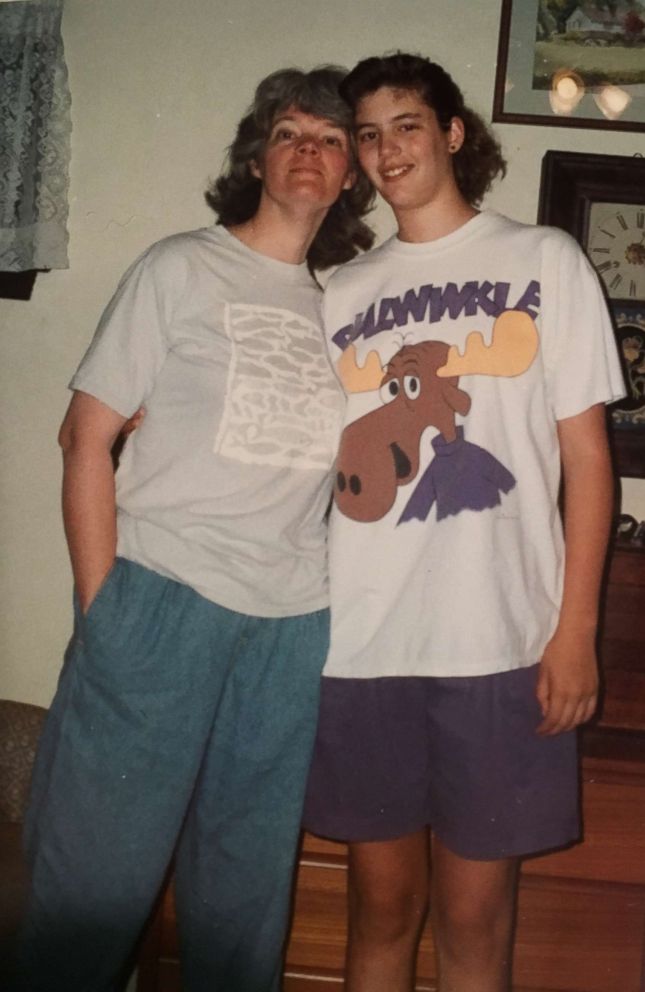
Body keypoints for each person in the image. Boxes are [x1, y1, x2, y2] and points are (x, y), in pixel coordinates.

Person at [15, 66, 373, 992]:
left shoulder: (341, 308)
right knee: (93, 891)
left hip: (293, 627)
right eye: (291, 132)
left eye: (331, 140)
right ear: (258, 154)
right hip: (164, 598)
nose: (309, 152)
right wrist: (104, 614)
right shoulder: (181, 266)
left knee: (243, 908)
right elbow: (85, 437)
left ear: (348, 176)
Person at [303, 53, 625, 992]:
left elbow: (588, 463)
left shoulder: (544, 261)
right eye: (367, 133)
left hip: (499, 643)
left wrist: (574, 635)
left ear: (451, 133)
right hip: (364, 644)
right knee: (382, 914)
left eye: (406, 124)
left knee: (477, 921)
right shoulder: (339, 292)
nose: (384, 148)